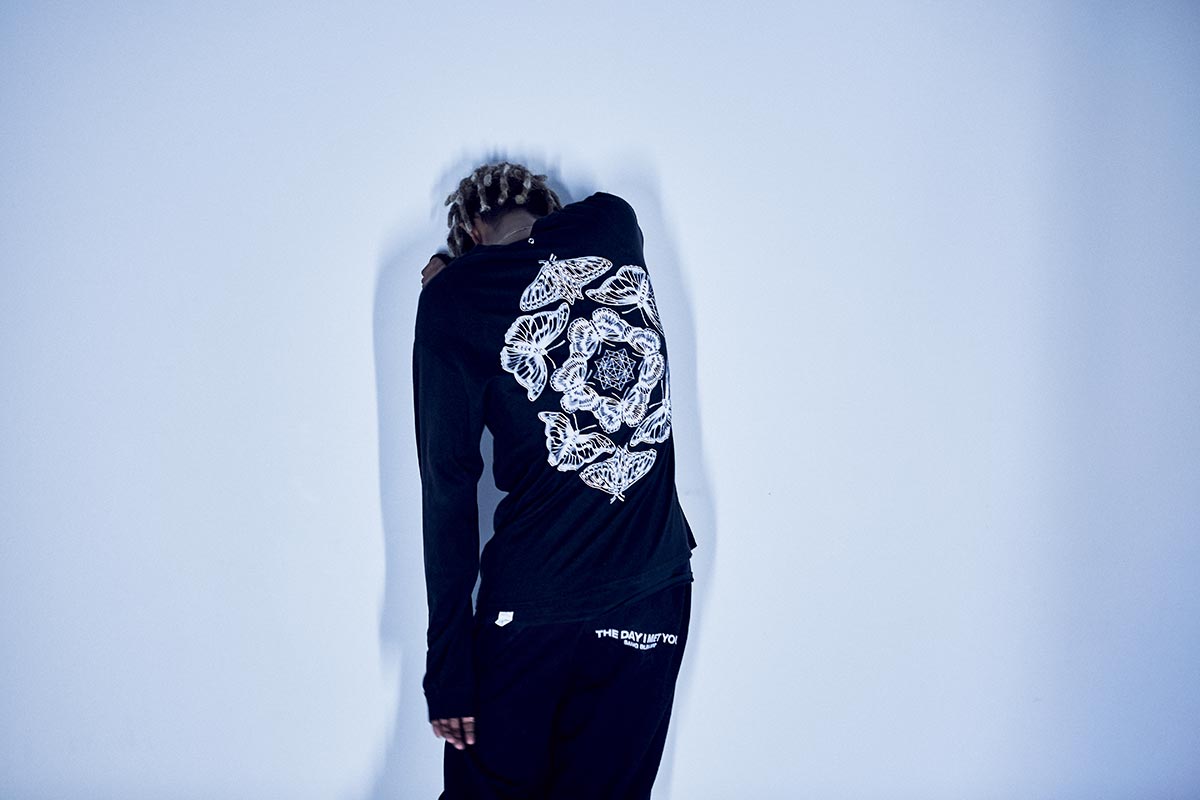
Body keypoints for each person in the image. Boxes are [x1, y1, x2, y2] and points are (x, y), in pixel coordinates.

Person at [413, 161, 698, 799]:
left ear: (470, 233)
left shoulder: (453, 299)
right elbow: (555, 240)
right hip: (653, 593)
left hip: (531, 606)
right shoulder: (613, 228)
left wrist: (448, 665)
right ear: (548, 205)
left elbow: (447, 492)